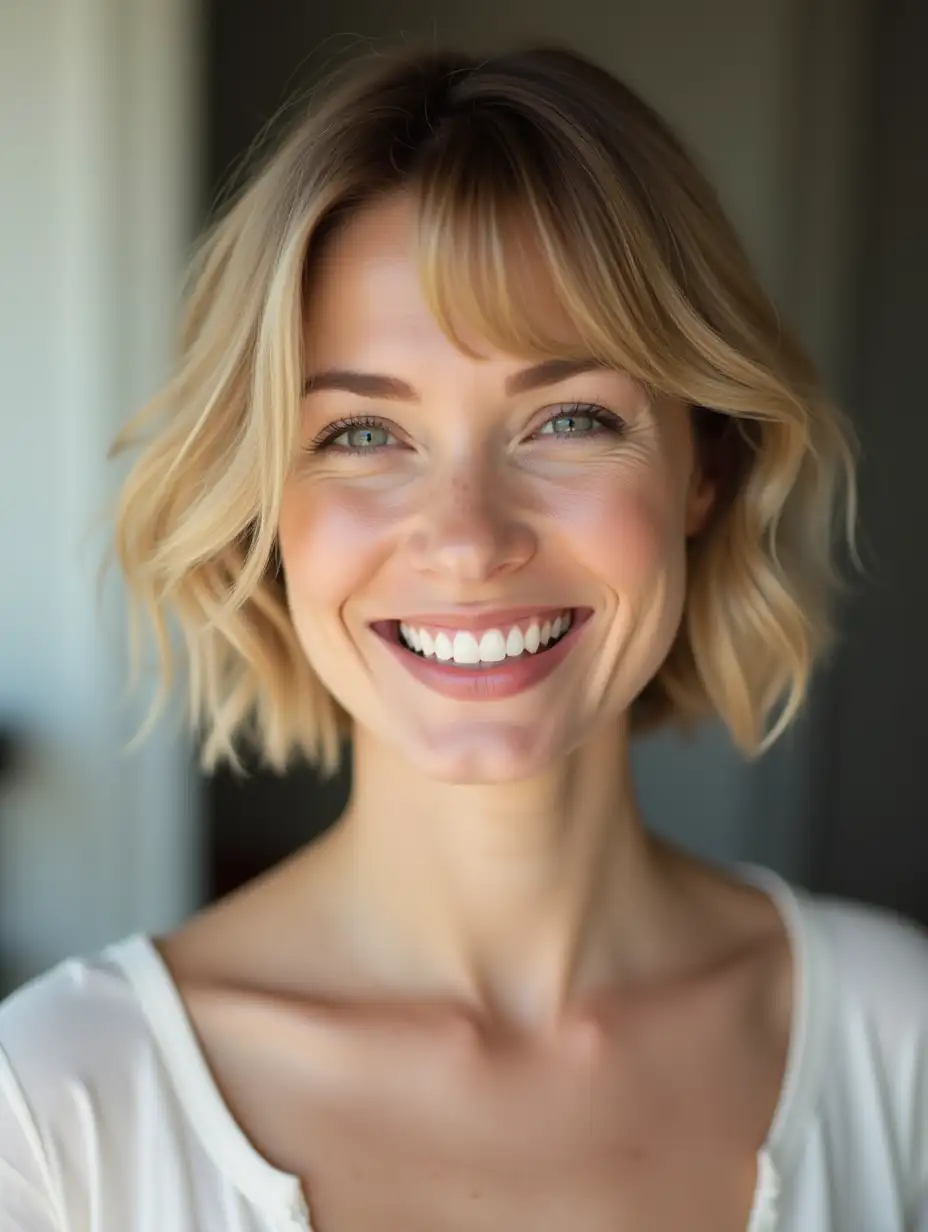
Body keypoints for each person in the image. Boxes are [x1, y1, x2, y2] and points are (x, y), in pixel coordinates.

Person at [1, 41, 926, 1232]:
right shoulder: (49, 1112)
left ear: (709, 464)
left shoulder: (898, 1045)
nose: (468, 538)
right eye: (361, 435)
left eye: (570, 417)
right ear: (262, 503)